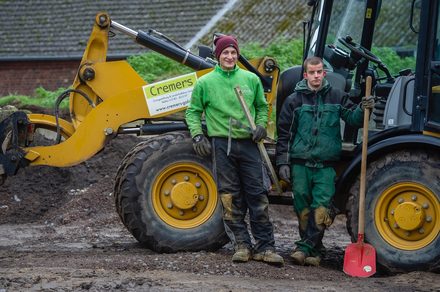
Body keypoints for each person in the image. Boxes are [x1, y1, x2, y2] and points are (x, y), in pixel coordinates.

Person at [185, 35, 284, 266]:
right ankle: (242, 245)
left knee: (257, 197)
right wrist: (198, 134)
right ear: (218, 56)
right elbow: (192, 112)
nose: (229, 57)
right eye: (224, 53)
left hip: (249, 145)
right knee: (230, 198)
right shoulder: (205, 83)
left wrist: (261, 125)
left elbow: (261, 106)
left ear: (237, 55)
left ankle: (266, 247)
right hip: (222, 145)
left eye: (233, 53)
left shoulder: (250, 79)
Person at [276, 56, 374, 266]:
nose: (316, 76)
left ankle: (303, 248)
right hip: (300, 164)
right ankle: (316, 250)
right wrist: (283, 163)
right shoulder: (294, 101)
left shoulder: (337, 96)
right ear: (306, 75)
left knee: (321, 209)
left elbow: (354, 119)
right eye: (312, 72)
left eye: (319, 72)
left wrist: (364, 108)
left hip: (325, 166)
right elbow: (284, 134)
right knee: (302, 208)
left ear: (324, 73)